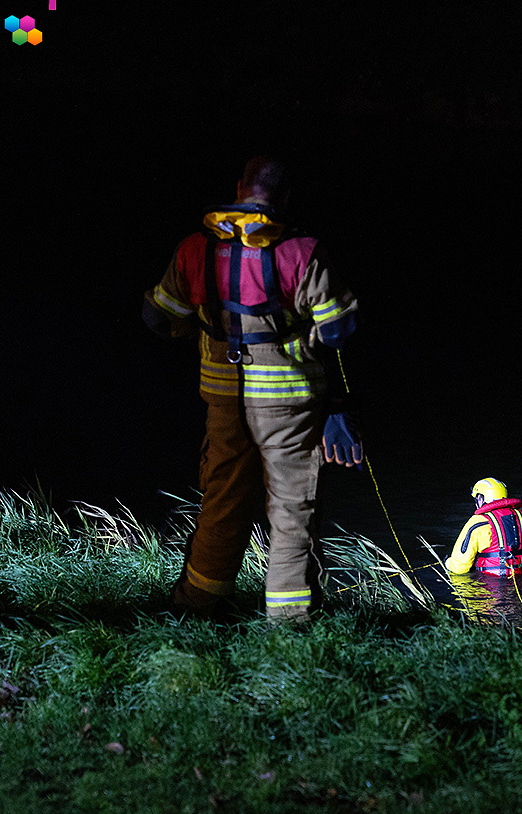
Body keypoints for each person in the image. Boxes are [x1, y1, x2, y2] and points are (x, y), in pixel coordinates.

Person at [143, 156, 362, 622]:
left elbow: (158, 317)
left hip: (222, 397)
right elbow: (340, 330)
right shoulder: (300, 251)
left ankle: (198, 605)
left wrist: (201, 327)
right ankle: (289, 623)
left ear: (239, 186)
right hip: (288, 404)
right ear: (284, 198)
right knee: (291, 507)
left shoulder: (193, 249)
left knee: (222, 498)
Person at [444, 478, 522, 576]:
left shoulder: (477, 523)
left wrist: (447, 563)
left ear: (481, 499)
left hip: (489, 586)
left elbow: (460, 567)